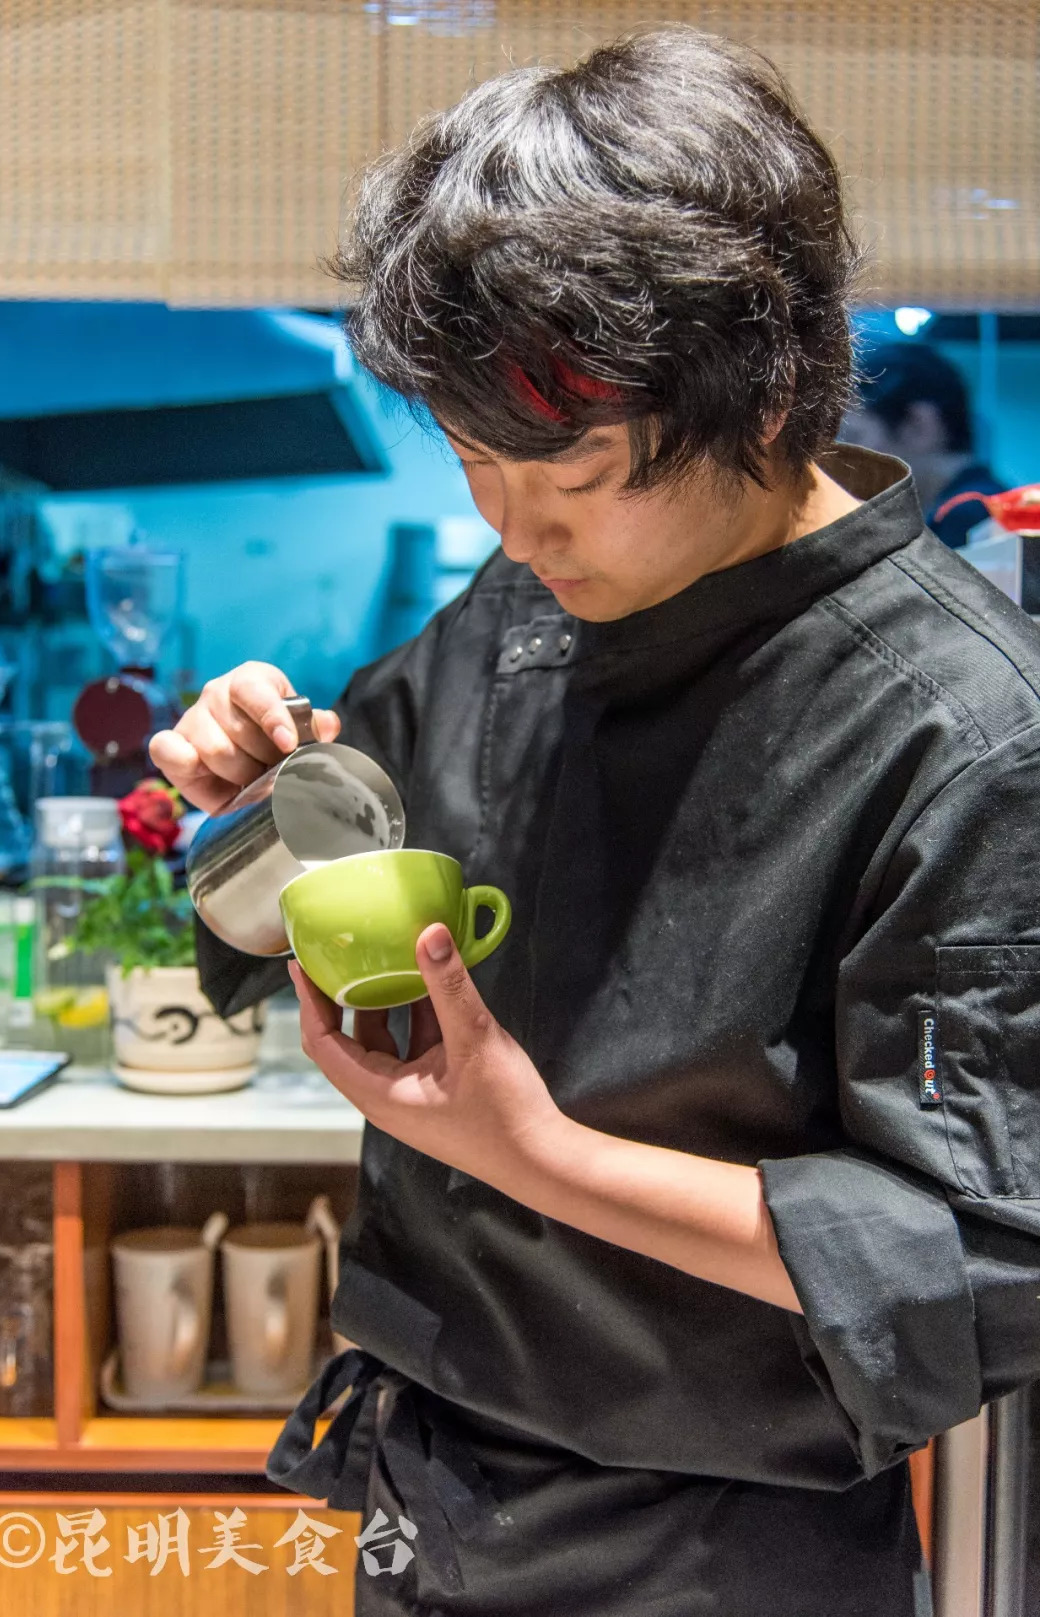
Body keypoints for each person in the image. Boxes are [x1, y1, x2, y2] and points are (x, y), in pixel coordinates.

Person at [151, 27, 1040, 1616]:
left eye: (574, 472)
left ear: (764, 386)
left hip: (714, 1548)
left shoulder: (970, 732)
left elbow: (979, 1254)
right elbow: (312, 892)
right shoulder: (527, 601)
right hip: (422, 1484)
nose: (512, 522)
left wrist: (533, 1150)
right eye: (476, 460)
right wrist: (247, 807)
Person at [840, 341, 1005, 548]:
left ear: (918, 425)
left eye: (855, 437)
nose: (844, 458)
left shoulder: (968, 519)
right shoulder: (975, 510)